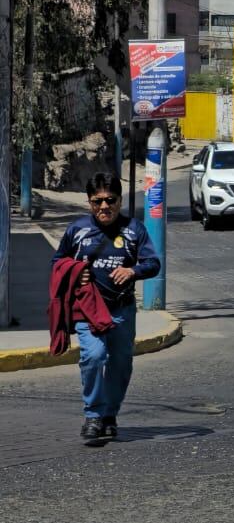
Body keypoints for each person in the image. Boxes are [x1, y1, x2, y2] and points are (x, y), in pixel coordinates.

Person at [52, 173, 161, 446]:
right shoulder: (77, 231)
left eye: (110, 200)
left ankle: (109, 415)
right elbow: (57, 261)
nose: (104, 207)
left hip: (122, 310)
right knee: (95, 356)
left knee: (120, 364)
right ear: (89, 203)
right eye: (97, 201)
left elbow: (153, 263)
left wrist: (133, 271)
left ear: (119, 200)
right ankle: (93, 415)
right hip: (88, 310)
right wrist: (75, 273)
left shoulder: (134, 230)